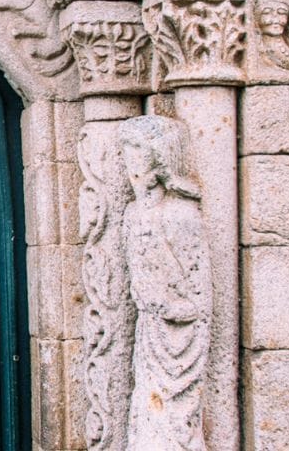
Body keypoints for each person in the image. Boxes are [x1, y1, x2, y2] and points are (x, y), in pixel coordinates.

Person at [118, 116, 211, 451]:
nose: (129, 161)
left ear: (160, 160)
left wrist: (170, 306)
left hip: (177, 338)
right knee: (146, 404)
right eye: (125, 151)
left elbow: (201, 298)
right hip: (149, 332)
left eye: (136, 152)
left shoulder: (181, 215)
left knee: (173, 418)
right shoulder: (131, 214)